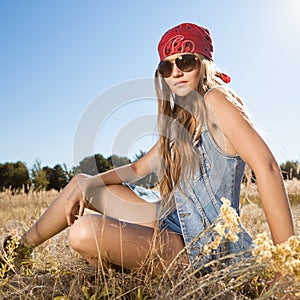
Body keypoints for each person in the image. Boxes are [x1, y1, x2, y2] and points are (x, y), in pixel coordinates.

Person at [1, 22, 295, 275]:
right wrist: (92, 181)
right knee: (82, 183)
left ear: (203, 63)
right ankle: (15, 254)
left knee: (83, 232)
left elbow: (266, 166)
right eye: (167, 66)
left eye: (186, 62)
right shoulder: (180, 121)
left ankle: (124, 267)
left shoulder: (216, 100)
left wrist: (288, 266)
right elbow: (140, 168)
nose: (176, 72)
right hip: (170, 220)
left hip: (201, 247)